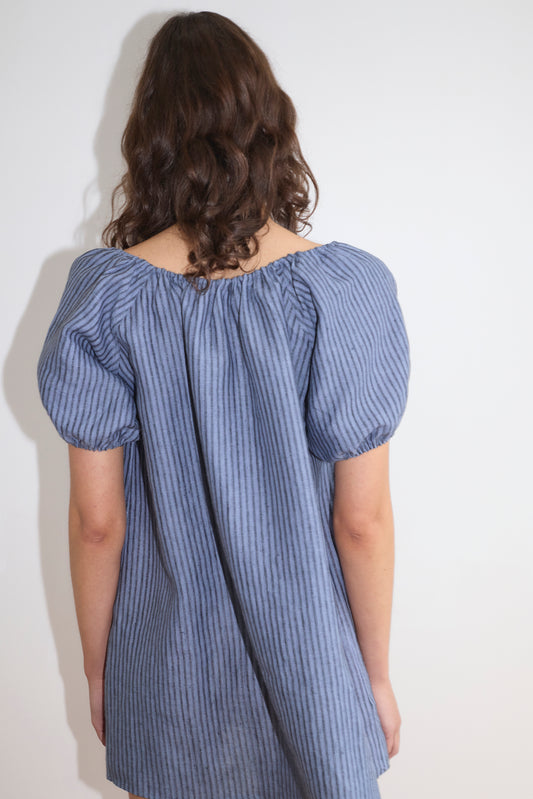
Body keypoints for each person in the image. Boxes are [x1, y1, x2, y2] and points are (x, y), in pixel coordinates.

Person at [36, 11, 410, 799]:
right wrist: (371, 675)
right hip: (315, 677)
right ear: (269, 127)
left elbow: (98, 522)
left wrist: (100, 670)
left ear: (151, 139)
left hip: (164, 685)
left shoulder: (106, 297)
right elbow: (361, 520)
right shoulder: (343, 291)